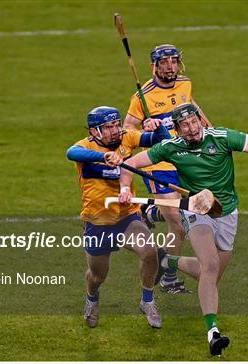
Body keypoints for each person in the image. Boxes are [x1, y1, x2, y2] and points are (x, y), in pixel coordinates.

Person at [118, 103, 248, 355]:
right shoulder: (171, 148)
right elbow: (128, 165)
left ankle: (166, 260)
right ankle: (213, 333)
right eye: (185, 126)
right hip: (196, 211)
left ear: (201, 120)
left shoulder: (222, 138)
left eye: (194, 122)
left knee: (210, 276)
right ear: (177, 130)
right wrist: (125, 189)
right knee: (210, 266)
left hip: (227, 212)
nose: (191, 129)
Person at [66, 106, 171, 329]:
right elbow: (71, 153)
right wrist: (103, 156)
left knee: (149, 252)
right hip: (97, 222)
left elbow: (164, 143)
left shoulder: (127, 138)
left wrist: (158, 129)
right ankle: (92, 299)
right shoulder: (85, 147)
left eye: (116, 125)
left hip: (127, 217)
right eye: (108, 127)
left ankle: (147, 300)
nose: (115, 131)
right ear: (95, 131)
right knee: (97, 276)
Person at [123, 44, 211, 294]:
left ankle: (150, 213)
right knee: (180, 226)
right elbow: (127, 130)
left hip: (184, 158)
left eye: (174, 61)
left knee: (198, 209)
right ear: (155, 66)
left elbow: (193, 107)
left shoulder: (185, 83)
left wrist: (211, 131)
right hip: (158, 163)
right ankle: (169, 275)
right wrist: (145, 128)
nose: (171, 66)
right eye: (165, 62)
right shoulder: (143, 96)